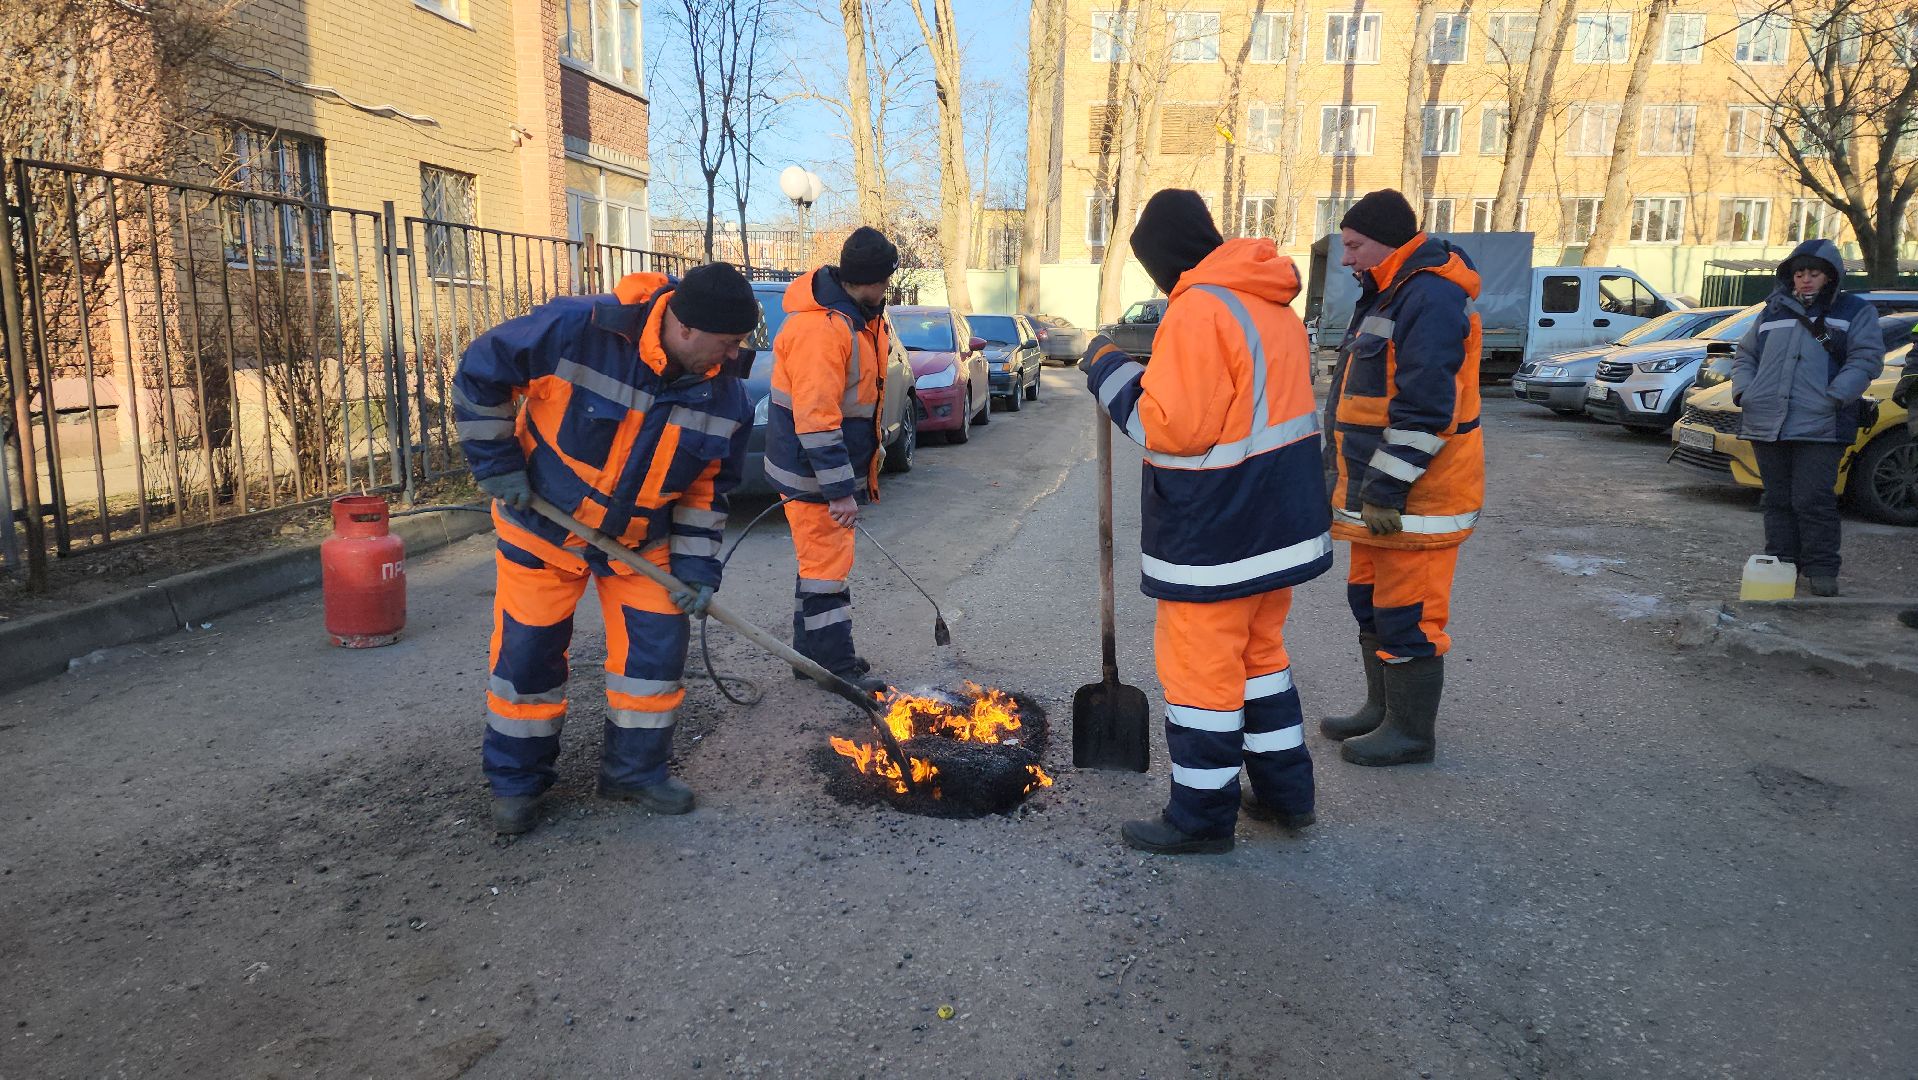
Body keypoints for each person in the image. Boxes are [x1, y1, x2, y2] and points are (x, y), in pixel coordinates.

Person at [453, 264, 758, 835]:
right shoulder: (577, 330)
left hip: (643, 544)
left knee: (655, 658)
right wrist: (496, 465)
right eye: (728, 342)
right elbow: (480, 372)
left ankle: (634, 773)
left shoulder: (726, 399)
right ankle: (517, 783)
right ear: (687, 328)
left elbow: (705, 491)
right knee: (527, 658)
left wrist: (694, 569)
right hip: (541, 529)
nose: (732, 355)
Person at [1080, 189, 1332, 855]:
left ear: (1164, 260)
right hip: (1277, 531)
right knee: (1261, 665)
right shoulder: (1267, 302)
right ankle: (1287, 796)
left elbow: (1169, 428)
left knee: (1200, 679)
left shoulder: (1199, 310)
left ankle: (1200, 817)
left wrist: (1106, 372)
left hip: (1218, 536)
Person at [1320, 189, 1484, 768]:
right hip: (1378, 498)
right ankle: (1381, 710)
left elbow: (1427, 408)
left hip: (1416, 500)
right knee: (1368, 601)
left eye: (1355, 245)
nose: (1347, 259)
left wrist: (1387, 488)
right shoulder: (1389, 293)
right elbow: (1359, 403)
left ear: (1388, 241)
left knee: (1409, 612)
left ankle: (1412, 733)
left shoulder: (1431, 297)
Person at [765, 227, 899, 693]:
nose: (886, 291)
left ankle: (810, 658)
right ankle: (833, 668)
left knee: (817, 564)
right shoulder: (823, 329)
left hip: (819, 468)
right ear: (865, 280)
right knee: (827, 569)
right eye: (883, 281)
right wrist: (840, 490)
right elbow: (818, 418)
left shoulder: (858, 317)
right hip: (812, 474)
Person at [1731, 240, 1885, 597]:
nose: (1805, 280)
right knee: (1777, 499)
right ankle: (1781, 567)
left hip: (1822, 422)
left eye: (1813, 273)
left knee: (1812, 499)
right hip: (1768, 419)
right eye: (1799, 273)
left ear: (1830, 276)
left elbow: (1866, 359)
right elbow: (1745, 356)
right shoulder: (1772, 311)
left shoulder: (1854, 310)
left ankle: (1821, 570)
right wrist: (1745, 392)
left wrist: (1836, 395)